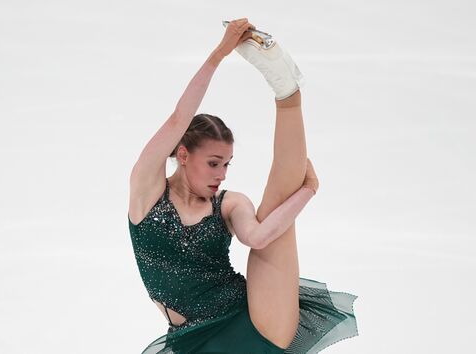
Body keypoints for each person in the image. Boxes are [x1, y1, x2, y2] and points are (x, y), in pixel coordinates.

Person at [128, 18, 359, 353]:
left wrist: (307, 190)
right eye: (213, 163)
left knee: (275, 213)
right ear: (182, 154)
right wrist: (220, 53)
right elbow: (179, 119)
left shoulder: (229, 203)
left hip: (256, 320)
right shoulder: (147, 192)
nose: (221, 174)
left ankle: (287, 92)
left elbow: (259, 236)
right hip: (191, 340)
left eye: (226, 164)